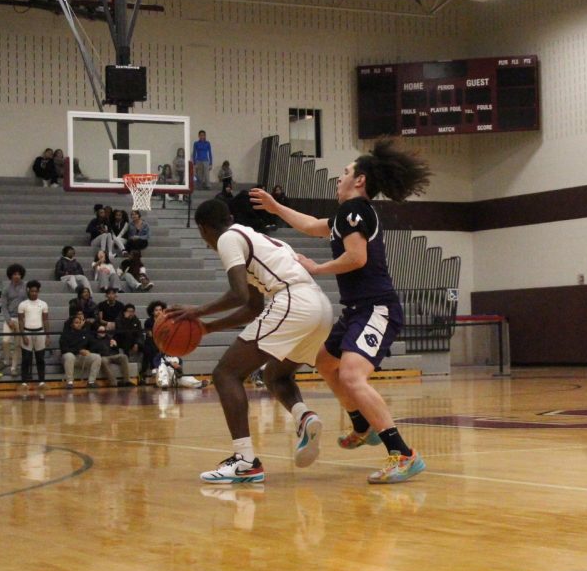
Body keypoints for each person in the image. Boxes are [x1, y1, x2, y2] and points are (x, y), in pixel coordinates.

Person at [250, 139, 430, 484]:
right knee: (325, 362)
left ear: (359, 180)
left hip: (376, 307)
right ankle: (362, 424)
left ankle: (403, 454)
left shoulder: (356, 211)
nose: (339, 178)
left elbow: (357, 258)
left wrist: (316, 268)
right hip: (358, 309)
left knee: (350, 375)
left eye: (345, 173)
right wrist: (276, 208)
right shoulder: (345, 216)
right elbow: (311, 225)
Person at [170, 198, 333, 484]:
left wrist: (197, 311)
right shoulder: (255, 238)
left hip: (293, 301)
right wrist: (207, 328)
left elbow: (238, 296)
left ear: (204, 229)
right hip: (320, 306)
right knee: (275, 375)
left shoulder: (227, 238)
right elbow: (253, 306)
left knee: (225, 373)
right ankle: (304, 416)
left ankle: (245, 461)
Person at [18, 280, 50, 392]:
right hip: (27, 332)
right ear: (28, 291)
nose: (34, 293)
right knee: (26, 359)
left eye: (36, 291)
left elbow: (45, 320)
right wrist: (23, 335)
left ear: (38, 291)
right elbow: (20, 321)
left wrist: (47, 336)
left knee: (40, 358)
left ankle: (42, 381)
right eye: (32, 291)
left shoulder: (43, 304)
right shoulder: (23, 304)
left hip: (40, 332)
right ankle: (24, 382)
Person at [59, 311, 101, 389]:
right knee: (69, 356)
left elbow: (94, 344)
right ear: (71, 324)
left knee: (97, 357)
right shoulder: (65, 334)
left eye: (80, 322)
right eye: (76, 323)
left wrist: (89, 351)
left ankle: (91, 381)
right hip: (69, 357)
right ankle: (69, 382)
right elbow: (64, 349)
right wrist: (78, 351)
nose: (79, 324)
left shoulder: (85, 333)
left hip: (81, 357)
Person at [89, 323, 131, 387]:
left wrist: (115, 346)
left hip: (112, 355)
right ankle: (113, 382)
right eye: (101, 330)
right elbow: (92, 350)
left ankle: (127, 381)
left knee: (124, 356)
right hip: (102, 356)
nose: (103, 332)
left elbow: (116, 351)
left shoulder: (108, 338)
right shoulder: (92, 340)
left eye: (104, 330)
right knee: (103, 360)